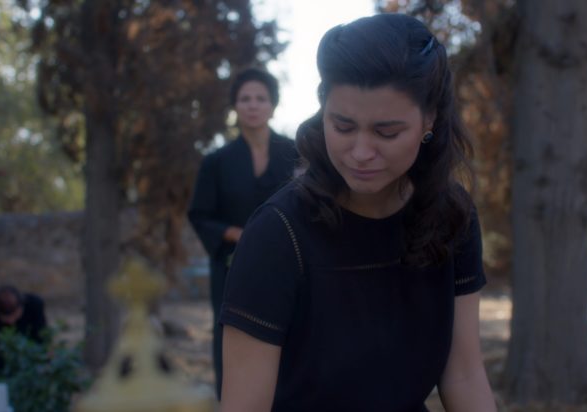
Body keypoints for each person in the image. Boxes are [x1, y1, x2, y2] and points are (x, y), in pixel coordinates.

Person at [219, 14, 496, 411]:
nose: (362, 153)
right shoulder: (279, 234)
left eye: (387, 132)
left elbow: (464, 374)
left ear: (430, 119)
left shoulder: (451, 215)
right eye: (343, 126)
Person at [187, 67, 299, 396]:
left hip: (286, 265)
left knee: (293, 335)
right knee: (232, 340)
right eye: (245, 98)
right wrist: (236, 234)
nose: (253, 105)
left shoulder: (295, 154)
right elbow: (199, 215)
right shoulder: (216, 162)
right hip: (231, 267)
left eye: (261, 98)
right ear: (235, 106)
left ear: (273, 105)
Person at [0, 285, 47, 384]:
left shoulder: (35, 306)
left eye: (14, 316)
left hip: (29, 367)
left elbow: (44, 343)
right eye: (6, 318)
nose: (11, 321)